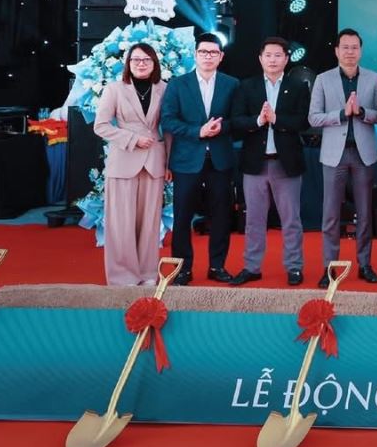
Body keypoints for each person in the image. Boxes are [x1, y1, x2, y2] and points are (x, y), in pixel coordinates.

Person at [229, 36, 312, 286]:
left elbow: (304, 121)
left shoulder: (298, 86)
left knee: (291, 219)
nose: (273, 60)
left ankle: (294, 267)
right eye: (268, 55)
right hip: (255, 163)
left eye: (278, 55)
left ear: (286, 59)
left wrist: (277, 120)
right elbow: (236, 121)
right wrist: (258, 121)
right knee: (254, 219)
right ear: (260, 58)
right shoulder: (247, 86)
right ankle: (252, 267)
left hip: (286, 163)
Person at [307, 28, 377, 288]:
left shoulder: (374, 79)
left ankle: (365, 265)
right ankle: (330, 267)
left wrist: (361, 112)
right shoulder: (323, 79)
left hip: (363, 154)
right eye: (345, 47)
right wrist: (342, 114)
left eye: (354, 47)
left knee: (365, 213)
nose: (350, 52)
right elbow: (313, 117)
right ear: (336, 51)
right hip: (334, 154)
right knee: (330, 214)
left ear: (360, 51)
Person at [160, 32, 238, 285]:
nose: (208, 56)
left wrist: (221, 127)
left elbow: (237, 120)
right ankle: (182, 269)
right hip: (186, 160)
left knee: (221, 215)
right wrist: (198, 131)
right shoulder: (177, 84)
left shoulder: (231, 84)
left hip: (220, 159)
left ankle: (217, 266)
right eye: (203, 52)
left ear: (221, 56)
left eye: (213, 52)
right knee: (183, 216)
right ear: (195, 54)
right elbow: (167, 120)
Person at [93, 42, 168, 286]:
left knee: (149, 224)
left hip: (154, 162)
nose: (141, 64)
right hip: (123, 161)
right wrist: (133, 139)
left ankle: (147, 274)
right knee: (121, 223)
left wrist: (169, 163)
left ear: (154, 63)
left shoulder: (165, 89)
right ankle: (122, 275)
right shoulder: (114, 89)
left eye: (146, 59)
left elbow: (169, 129)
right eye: (136, 59)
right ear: (128, 63)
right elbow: (100, 126)